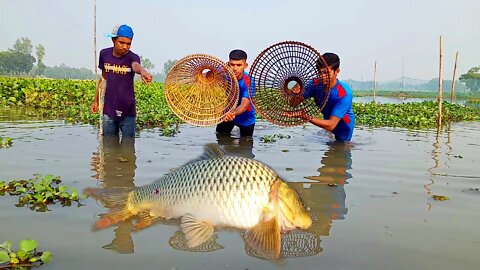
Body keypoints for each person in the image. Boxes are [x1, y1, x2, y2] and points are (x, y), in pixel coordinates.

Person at [90, 24, 153, 138]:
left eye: (128, 43)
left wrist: (143, 72)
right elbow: (103, 79)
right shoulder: (104, 54)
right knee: (109, 145)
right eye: (121, 42)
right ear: (113, 40)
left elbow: (136, 66)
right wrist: (96, 101)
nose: (125, 47)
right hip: (108, 111)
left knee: (128, 147)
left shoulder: (132, 57)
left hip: (128, 111)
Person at [289, 53, 355, 142]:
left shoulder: (344, 93)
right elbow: (293, 104)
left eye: (326, 73)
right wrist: (295, 94)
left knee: (340, 147)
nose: (322, 76)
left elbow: (331, 125)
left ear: (337, 71)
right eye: (319, 72)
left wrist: (305, 116)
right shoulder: (314, 84)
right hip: (327, 123)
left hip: (343, 129)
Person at [215, 49, 256, 138]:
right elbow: (209, 75)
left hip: (246, 118)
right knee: (220, 138)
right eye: (232, 64)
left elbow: (244, 106)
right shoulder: (222, 71)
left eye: (239, 65)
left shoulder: (248, 82)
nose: (235, 68)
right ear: (229, 64)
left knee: (245, 145)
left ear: (245, 66)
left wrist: (232, 113)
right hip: (227, 114)